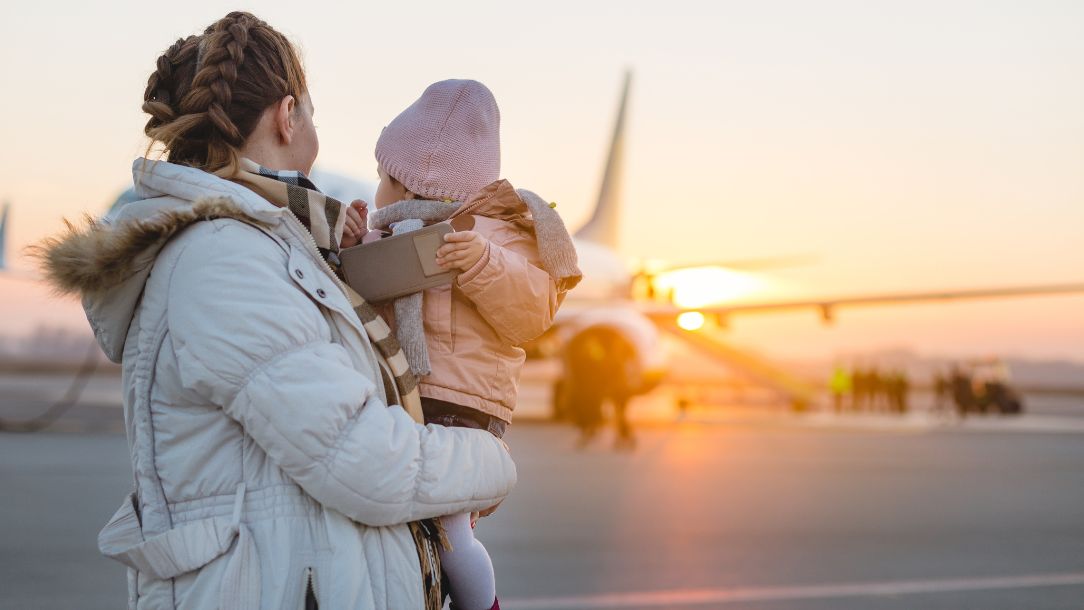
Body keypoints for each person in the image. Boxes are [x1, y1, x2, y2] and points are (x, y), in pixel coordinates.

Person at [33, 13, 515, 610]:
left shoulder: (260, 245)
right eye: (311, 112)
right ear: (288, 116)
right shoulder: (223, 259)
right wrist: (490, 459)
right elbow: (361, 460)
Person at [360, 79, 581, 610]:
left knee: (453, 529)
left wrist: (482, 262)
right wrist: (348, 243)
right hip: (410, 401)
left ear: (408, 182)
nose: (377, 194)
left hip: (464, 408)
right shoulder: (391, 236)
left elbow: (531, 313)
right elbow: (358, 292)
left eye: (382, 179)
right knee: (413, 528)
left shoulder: (499, 234)